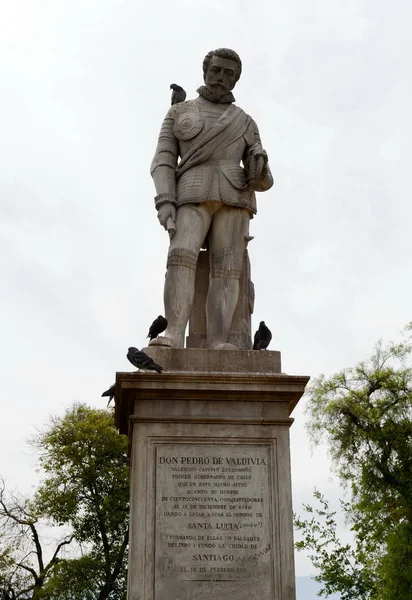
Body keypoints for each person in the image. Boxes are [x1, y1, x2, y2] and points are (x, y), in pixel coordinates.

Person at [150, 48, 273, 350]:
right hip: (190, 190)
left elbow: (264, 179)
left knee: (228, 266)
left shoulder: (245, 122)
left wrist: (259, 168)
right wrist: (165, 199)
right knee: (180, 254)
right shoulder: (180, 111)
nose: (220, 77)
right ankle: (174, 333)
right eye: (216, 70)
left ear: (235, 80)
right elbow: (163, 159)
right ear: (205, 71)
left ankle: (219, 340)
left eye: (228, 73)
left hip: (235, 194)